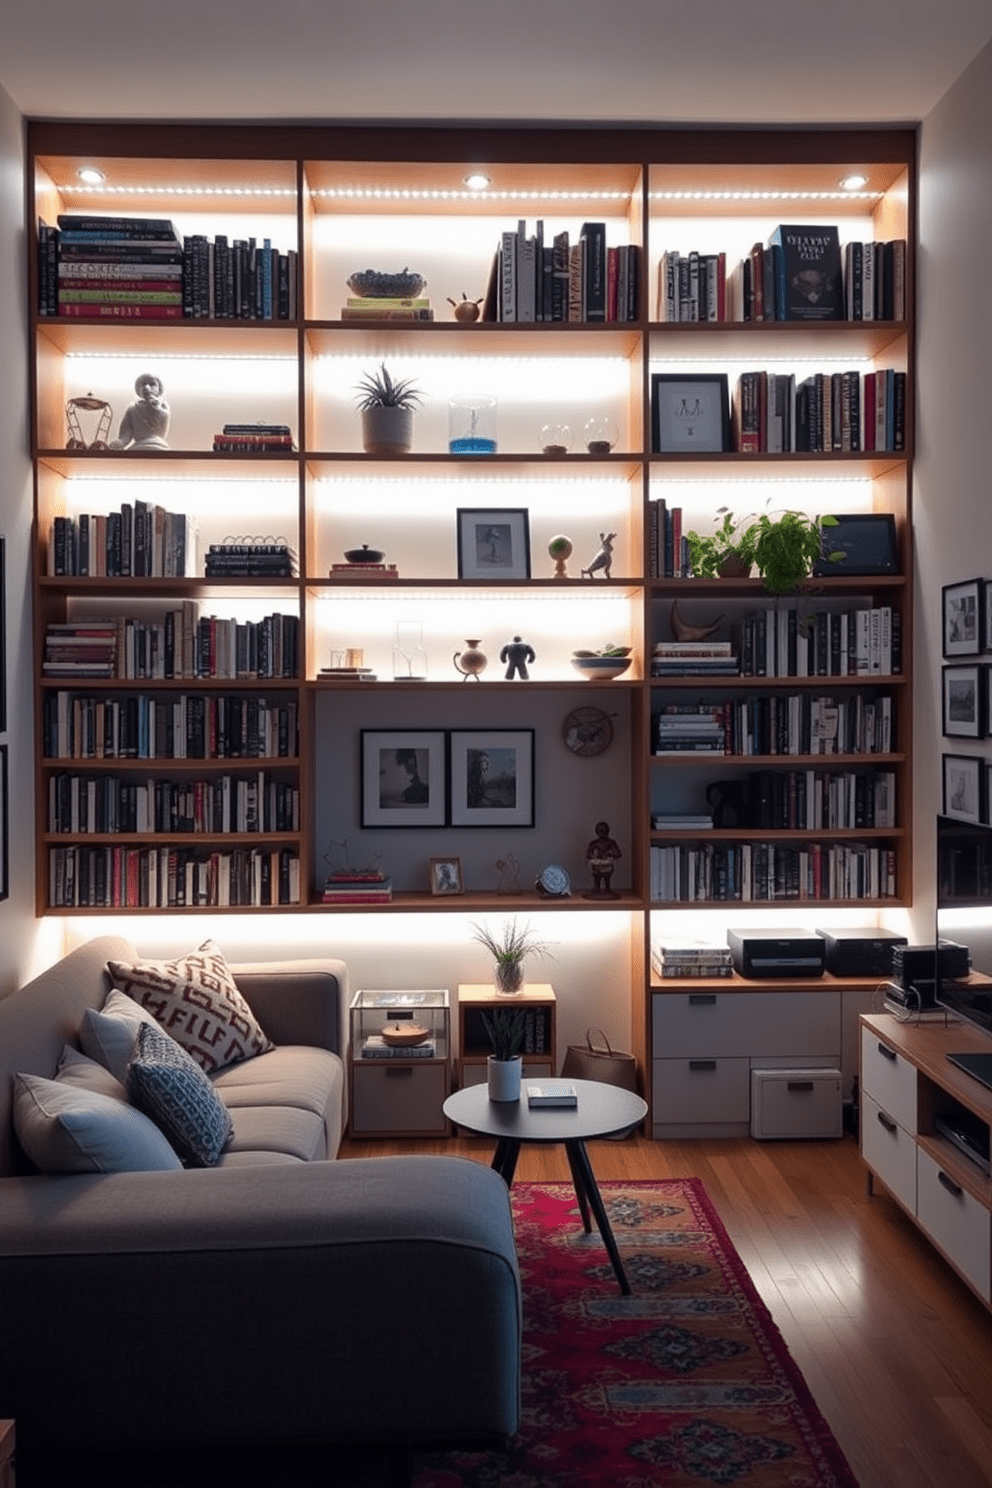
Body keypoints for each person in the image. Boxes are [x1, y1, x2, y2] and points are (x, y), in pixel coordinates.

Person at [111, 372, 171, 450]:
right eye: (143, 384)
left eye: (152, 384)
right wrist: (120, 443)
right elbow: (126, 434)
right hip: (139, 446)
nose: (147, 387)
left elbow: (161, 427)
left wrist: (153, 405)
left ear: (159, 389)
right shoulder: (132, 409)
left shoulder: (163, 406)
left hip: (158, 445)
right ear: (138, 390)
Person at [586, 820, 622, 896]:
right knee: (597, 877)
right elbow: (588, 855)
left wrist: (610, 854)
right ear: (597, 832)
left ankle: (607, 889)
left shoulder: (611, 842)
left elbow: (618, 854)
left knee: (606, 877)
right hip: (597, 865)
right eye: (600, 831)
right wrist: (595, 856)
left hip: (607, 864)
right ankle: (596, 889)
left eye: (604, 831)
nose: (602, 833)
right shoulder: (594, 843)